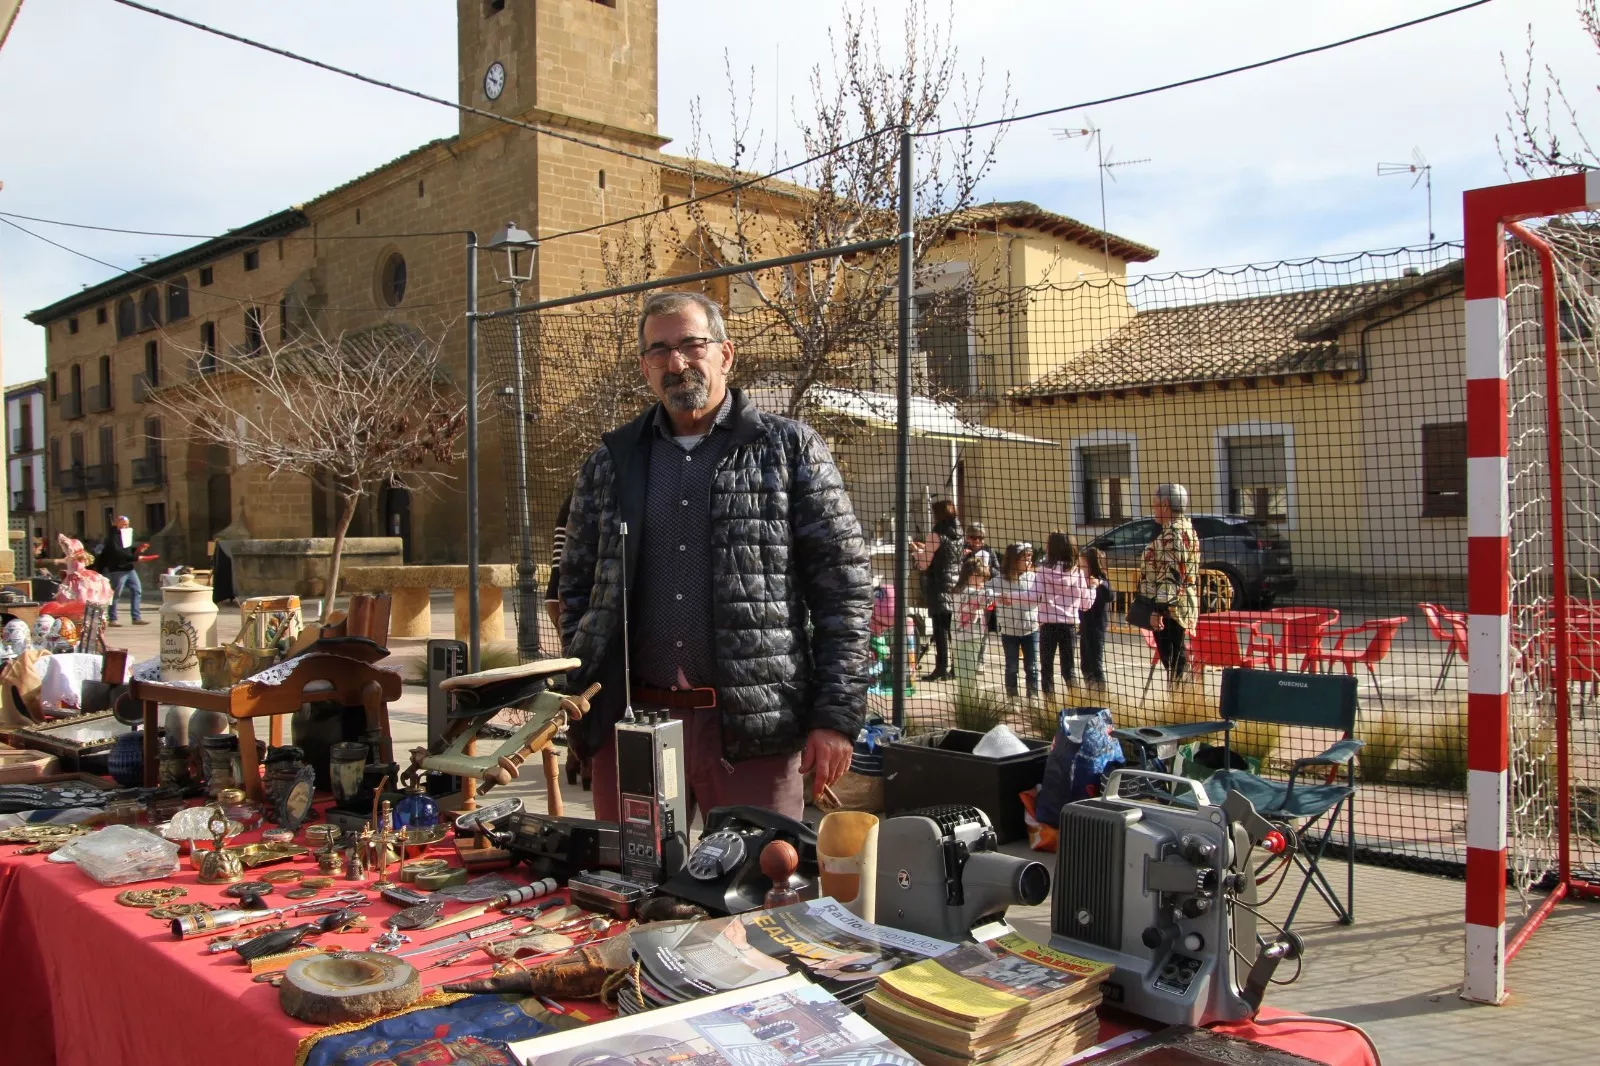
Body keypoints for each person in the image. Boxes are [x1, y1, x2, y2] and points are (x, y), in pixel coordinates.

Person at [560, 291, 871, 824]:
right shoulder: (611, 462)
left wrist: (835, 716)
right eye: (659, 350)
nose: (676, 363)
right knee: (632, 874)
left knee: (759, 873)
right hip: (633, 726)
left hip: (753, 731)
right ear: (644, 367)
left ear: (725, 354)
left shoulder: (789, 450)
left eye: (691, 345)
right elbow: (576, 589)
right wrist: (587, 693)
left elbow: (844, 593)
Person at [1140, 483, 1200, 681]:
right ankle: (1180, 696)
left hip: (1171, 609)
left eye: (1155, 503)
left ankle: (1180, 698)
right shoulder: (1184, 528)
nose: (1153, 508)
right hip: (1178, 604)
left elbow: (1171, 575)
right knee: (1175, 662)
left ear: (1165, 504)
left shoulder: (1173, 532)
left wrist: (1158, 611)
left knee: (1174, 662)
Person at [1036, 531, 1096, 698]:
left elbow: (1034, 595)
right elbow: (1086, 605)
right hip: (1068, 627)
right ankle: (1076, 704)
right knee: (1069, 670)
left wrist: (1008, 596)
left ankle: (1050, 706)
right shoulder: (1077, 573)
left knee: (1046, 669)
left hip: (1047, 626)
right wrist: (1093, 588)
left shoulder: (1042, 571)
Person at [916, 499, 962, 681]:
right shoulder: (959, 534)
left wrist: (916, 553)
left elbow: (924, 563)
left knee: (940, 629)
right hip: (956, 584)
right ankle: (957, 667)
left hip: (940, 584)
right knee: (954, 630)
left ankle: (941, 667)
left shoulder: (936, 534)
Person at [990, 542, 1042, 699]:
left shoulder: (1034, 578)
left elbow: (1041, 596)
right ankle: (1013, 698)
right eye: (1026, 557)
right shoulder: (999, 580)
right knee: (1011, 667)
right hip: (1009, 631)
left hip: (1031, 629)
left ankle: (1033, 697)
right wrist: (997, 597)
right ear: (1014, 560)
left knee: (1032, 667)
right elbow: (984, 590)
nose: (1029, 561)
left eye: (1030, 557)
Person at [94, 516, 150, 627]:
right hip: (118, 569)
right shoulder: (112, 537)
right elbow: (117, 552)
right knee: (116, 594)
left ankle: (136, 617)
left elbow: (127, 550)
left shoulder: (126, 535)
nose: (127, 526)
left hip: (129, 568)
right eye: (124, 524)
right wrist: (135, 558)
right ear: (118, 524)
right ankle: (113, 619)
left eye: (128, 524)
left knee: (137, 590)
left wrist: (137, 550)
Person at [950, 557, 993, 688]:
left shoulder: (959, 590)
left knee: (962, 672)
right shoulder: (970, 592)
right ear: (973, 577)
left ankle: (964, 696)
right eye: (982, 579)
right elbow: (985, 599)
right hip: (970, 636)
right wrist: (991, 592)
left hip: (958, 635)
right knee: (968, 674)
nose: (983, 583)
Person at [1078, 548, 1112, 689]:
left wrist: (1100, 584)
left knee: (1095, 663)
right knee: (1085, 664)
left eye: (1083, 565)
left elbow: (1111, 596)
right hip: (1084, 626)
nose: (1081, 568)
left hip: (1097, 627)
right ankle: (1090, 690)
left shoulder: (1101, 580)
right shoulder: (1081, 580)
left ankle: (1100, 693)